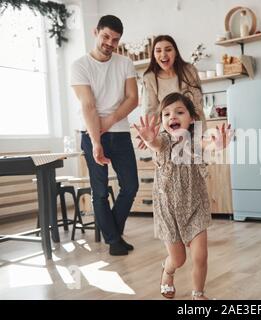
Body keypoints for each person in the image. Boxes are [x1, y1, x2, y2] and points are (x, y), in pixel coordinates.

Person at [133, 92, 233, 300]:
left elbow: (209, 145)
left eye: (179, 112)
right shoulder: (163, 141)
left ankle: (198, 294)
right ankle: (167, 271)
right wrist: (150, 140)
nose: (173, 117)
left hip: (195, 204)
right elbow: (156, 145)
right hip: (168, 209)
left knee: (200, 256)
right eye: (166, 114)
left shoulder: (196, 140)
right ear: (162, 122)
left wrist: (219, 145)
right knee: (178, 259)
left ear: (192, 119)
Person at [70, 15, 139, 256]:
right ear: (95, 32)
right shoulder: (80, 65)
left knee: (130, 186)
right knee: (99, 191)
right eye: (106, 36)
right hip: (90, 133)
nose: (110, 43)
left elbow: (133, 99)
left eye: (115, 39)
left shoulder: (125, 63)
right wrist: (96, 140)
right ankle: (114, 240)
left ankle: (113, 235)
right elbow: (88, 105)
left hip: (119, 132)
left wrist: (109, 121)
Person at [142, 35, 206, 137]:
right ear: (154, 55)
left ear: (175, 53)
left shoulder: (189, 70)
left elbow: (197, 106)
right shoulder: (149, 78)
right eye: (158, 51)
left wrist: (198, 137)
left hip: (193, 130)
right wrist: (149, 134)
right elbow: (150, 111)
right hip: (167, 134)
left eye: (168, 50)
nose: (163, 54)